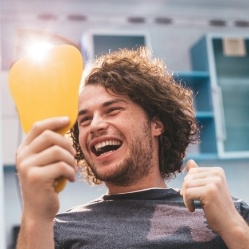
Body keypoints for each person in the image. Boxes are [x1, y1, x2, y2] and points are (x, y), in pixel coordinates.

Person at [15, 47, 249, 249]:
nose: (94, 125)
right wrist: (36, 216)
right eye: (84, 120)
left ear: (156, 124)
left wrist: (233, 227)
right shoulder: (58, 231)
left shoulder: (227, 210)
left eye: (112, 110)